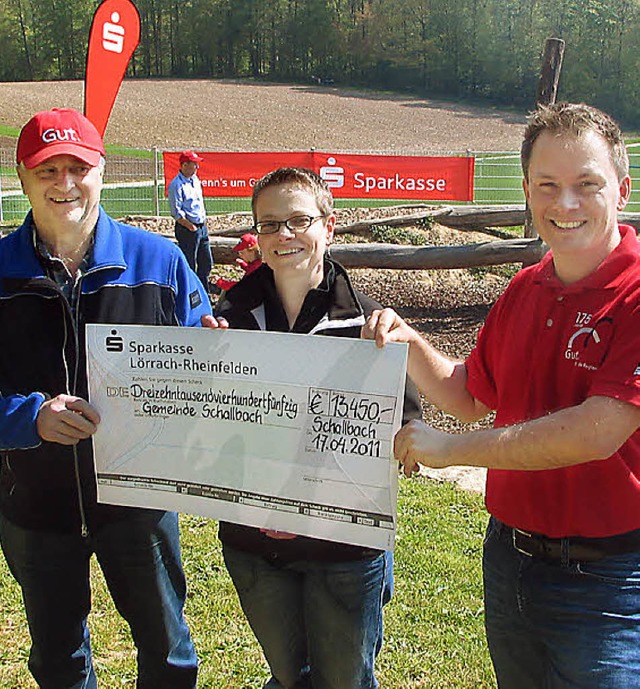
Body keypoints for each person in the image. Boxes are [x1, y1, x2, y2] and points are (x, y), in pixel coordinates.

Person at [363, 101, 640, 688]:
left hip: (613, 578)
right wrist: (410, 342)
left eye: (585, 184)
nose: (564, 204)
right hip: (510, 561)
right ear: (526, 191)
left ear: (621, 189)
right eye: (547, 185)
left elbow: (597, 432)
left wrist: (451, 450)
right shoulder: (524, 288)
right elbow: (470, 393)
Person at [0, 108, 210, 689]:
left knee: (167, 651)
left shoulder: (160, 261)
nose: (64, 183)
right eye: (48, 170)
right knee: (57, 656)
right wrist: (28, 416)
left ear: (100, 172)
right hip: (34, 504)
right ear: (22, 177)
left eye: (78, 167)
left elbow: (206, 365)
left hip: (139, 503)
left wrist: (217, 357)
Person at [212, 168, 421, 689]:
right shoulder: (223, 323)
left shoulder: (370, 325)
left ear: (329, 225)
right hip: (255, 542)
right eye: (270, 224)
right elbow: (200, 432)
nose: (283, 235)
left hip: (342, 549)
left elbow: (406, 422)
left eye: (299, 220)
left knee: (345, 679)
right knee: (288, 676)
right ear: (256, 235)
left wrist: (408, 438)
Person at [168, 150, 213, 295]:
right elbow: (176, 212)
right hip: (187, 229)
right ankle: (189, 295)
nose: (197, 167)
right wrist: (190, 226)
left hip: (201, 227)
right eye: (194, 164)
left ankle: (203, 293)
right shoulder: (176, 185)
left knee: (206, 263)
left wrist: (204, 222)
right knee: (190, 265)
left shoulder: (195, 180)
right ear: (184, 165)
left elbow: (199, 203)